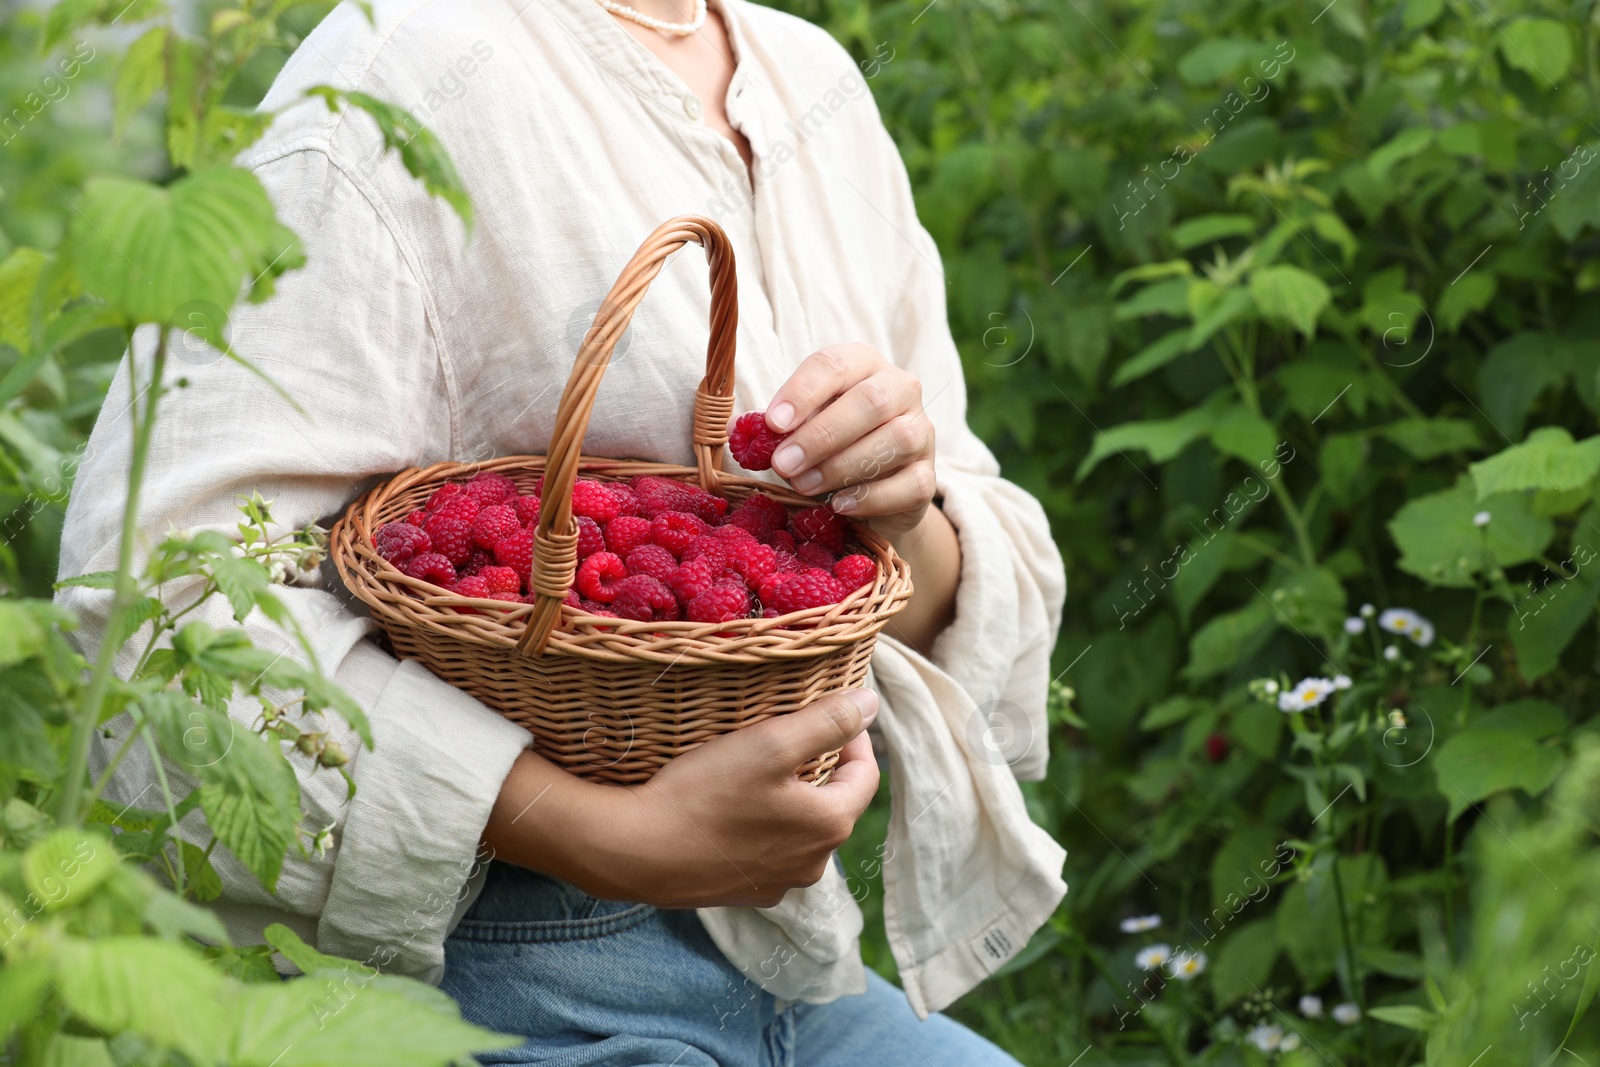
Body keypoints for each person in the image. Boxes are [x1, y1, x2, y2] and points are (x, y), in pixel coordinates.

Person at [57, 0, 1068, 1062]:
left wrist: (901, 506)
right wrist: (609, 837)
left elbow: (920, 591)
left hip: (786, 957)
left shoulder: (812, 78)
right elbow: (157, 612)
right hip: (491, 969)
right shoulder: (407, 62)